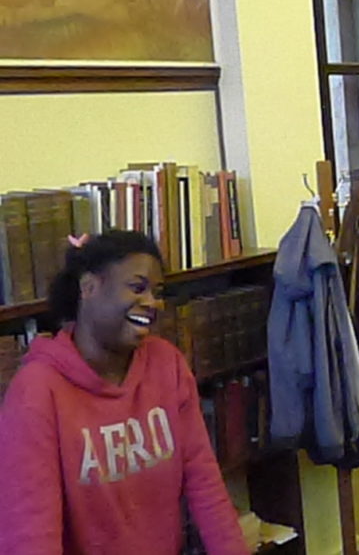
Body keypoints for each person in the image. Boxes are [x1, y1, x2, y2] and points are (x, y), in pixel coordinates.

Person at [0, 231, 248, 555]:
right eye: (137, 287)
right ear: (88, 288)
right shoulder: (36, 392)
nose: (152, 303)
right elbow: (30, 537)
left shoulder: (166, 363)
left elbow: (205, 485)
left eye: (158, 292)